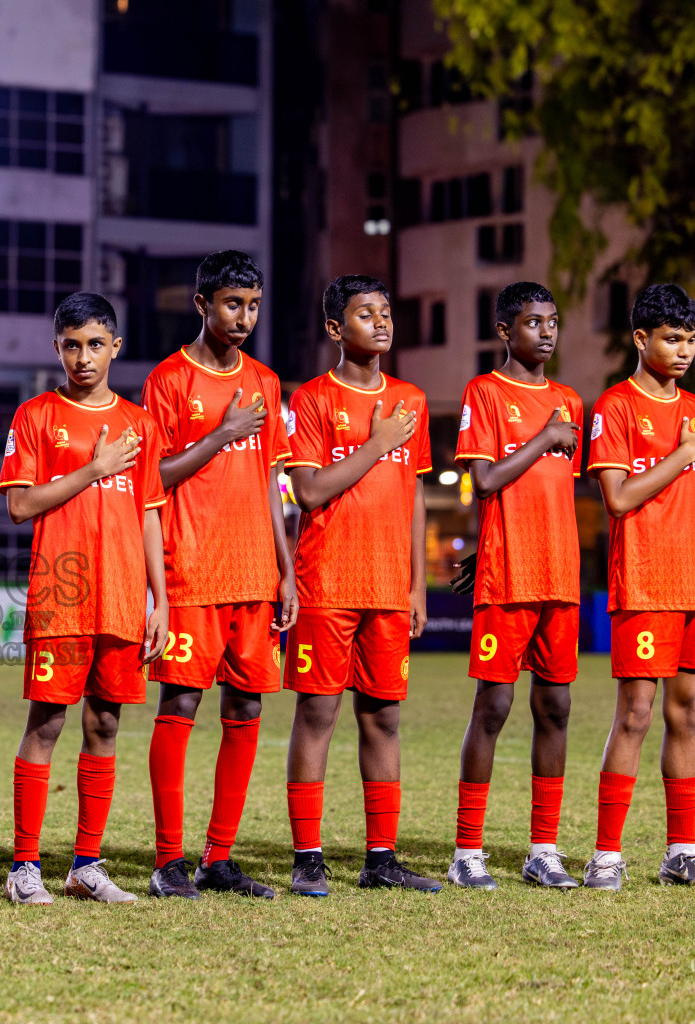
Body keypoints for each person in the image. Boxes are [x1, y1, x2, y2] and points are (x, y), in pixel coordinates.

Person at [0, 292, 168, 905]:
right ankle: (24, 868)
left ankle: (87, 864)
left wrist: (162, 601)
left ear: (115, 347)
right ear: (56, 349)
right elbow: (20, 506)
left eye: (95, 344)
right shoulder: (36, 416)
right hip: (60, 595)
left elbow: (150, 514)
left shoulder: (140, 422)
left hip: (123, 598)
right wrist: (92, 470)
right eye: (71, 345)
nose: (83, 356)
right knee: (46, 723)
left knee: (105, 724)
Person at [140, 251, 295, 900]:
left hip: (254, 571)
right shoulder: (168, 380)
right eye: (233, 303)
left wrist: (286, 569)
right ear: (202, 304)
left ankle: (219, 858)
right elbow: (155, 477)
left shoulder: (265, 380)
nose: (245, 317)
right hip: (190, 568)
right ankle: (169, 861)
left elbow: (269, 479)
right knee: (179, 704)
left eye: (254, 305)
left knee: (248, 704)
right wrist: (222, 432)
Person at [283, 274, 439, 895]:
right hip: (326, 580)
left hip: (387, 586)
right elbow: (310, 489)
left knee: (383, 719)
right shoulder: (314, 399)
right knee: (318, 712)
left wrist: (417, 583)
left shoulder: (412, 399)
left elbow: (417, 492)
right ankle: (308, 857)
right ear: (334, 329)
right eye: (364, 313)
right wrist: (377, 444)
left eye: (386, 311)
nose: (381, 322)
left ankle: (381, 859)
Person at [446, 282, 583, 890]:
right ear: (505, 331)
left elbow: (548, 496)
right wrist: (544, 439)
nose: (546, 332)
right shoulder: (486, 392)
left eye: (552, 321)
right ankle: (467, 850)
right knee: (494, 707)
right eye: (532, 322)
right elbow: (485, 480)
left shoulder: (570, 399)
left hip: (559, 576)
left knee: (555, 707)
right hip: (508, 578)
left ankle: (543, 849)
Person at [583, 283, 695, 891]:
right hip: (646, 581)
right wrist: (684, 455)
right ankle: (607, 854)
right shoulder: (615, 406)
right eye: (672, 339)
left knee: (691, 712)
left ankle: (683, 849)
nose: (683, 351)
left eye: (691, 340)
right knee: (636, 713)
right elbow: (619, 497)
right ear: (641, 338)